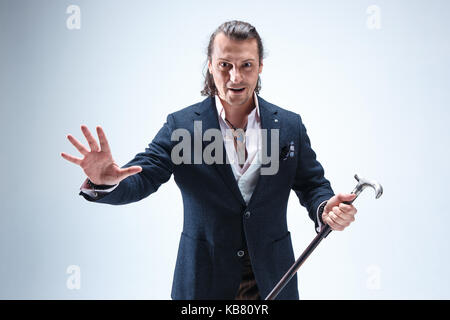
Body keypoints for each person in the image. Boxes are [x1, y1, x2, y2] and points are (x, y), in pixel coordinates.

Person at [61, 20, 357, 300]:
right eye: (225, 65)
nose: (235, 77)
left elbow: (312, 184)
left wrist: (324, 207)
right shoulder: (182, 126)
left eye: (246, 65)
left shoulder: (289, 126)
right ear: (211, 66)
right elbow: (142, 177)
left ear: (260, 67)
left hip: (272, 277)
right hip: (203, 279)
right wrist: (105, 181)